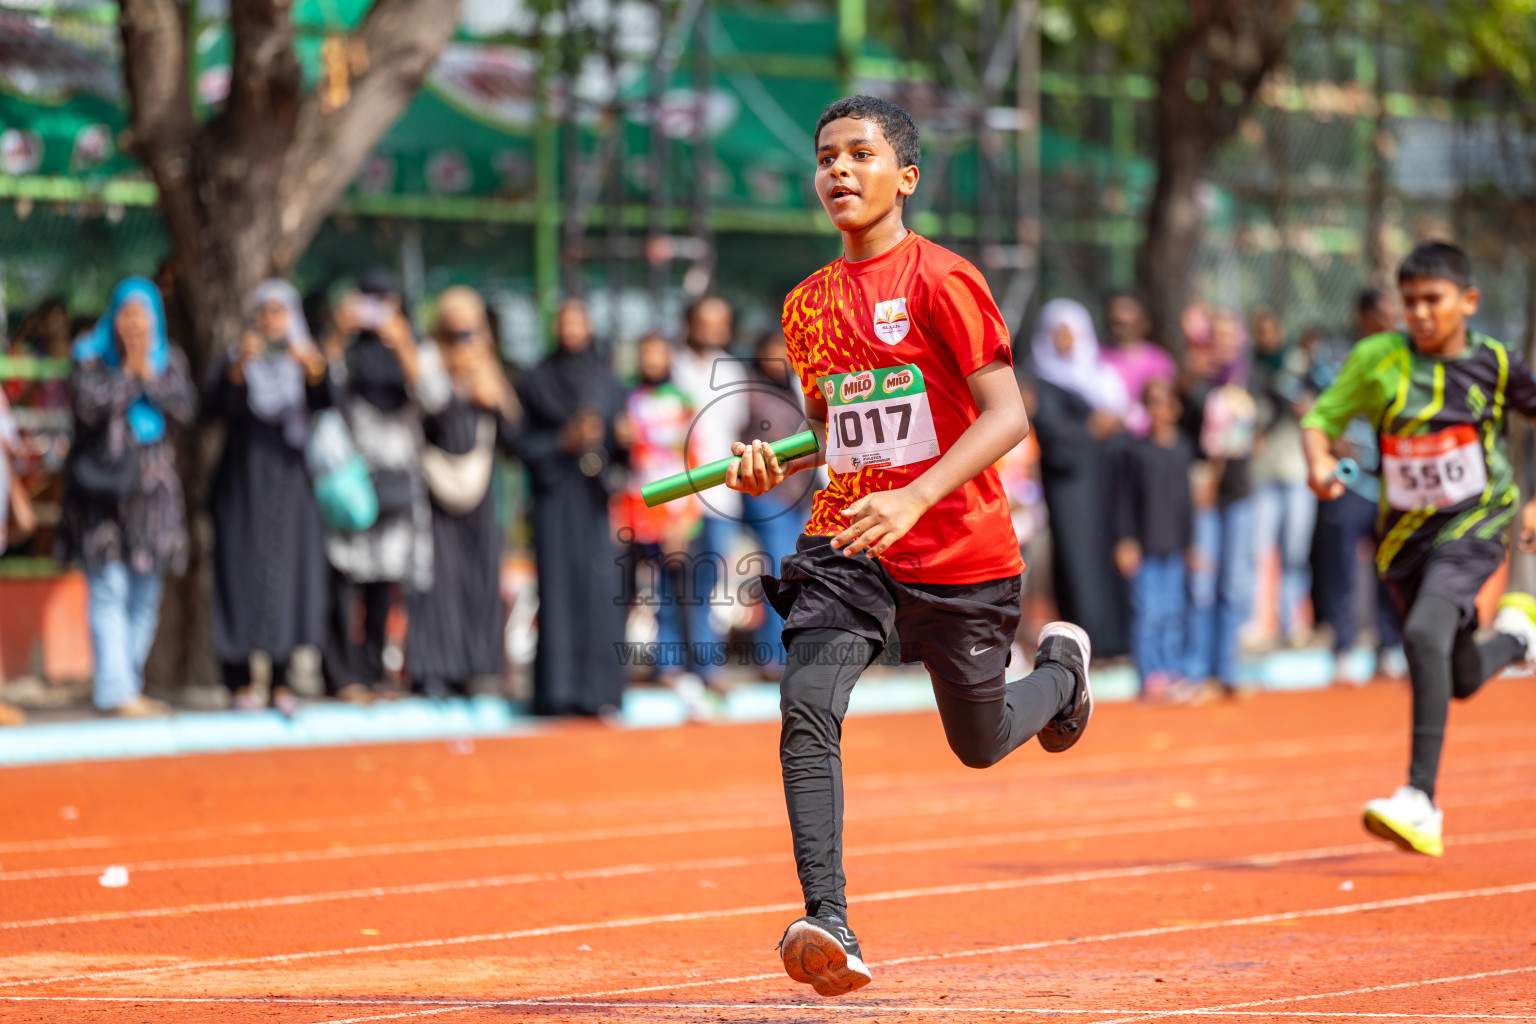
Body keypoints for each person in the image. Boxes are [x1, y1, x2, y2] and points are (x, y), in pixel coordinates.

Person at [726, 95, 1094, 998]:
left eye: (859, 154)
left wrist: (918, 494)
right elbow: (834, 432)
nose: (839, 172)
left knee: (978, 741)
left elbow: (1008, 413)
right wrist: (771, 458)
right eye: (826, 158)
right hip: (850, 541)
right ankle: (829, 921)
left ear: (906, 178)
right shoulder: (806, 306)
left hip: (960, 545)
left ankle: (1061, 676)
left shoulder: (944, 281)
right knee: (807, 699)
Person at [1301, 241, 1536, 857]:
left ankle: (1420, 798)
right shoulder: (1378, 358)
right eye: (1410, 303)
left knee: (1424, 639)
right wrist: (1320, 462)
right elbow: (1319, 421)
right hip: (1403, 541)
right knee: (1454, 674)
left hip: (1477, 523)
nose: (1421, 314)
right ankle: (1516, 640)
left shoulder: (1497, 364)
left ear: (1468, 301)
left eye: (1433, 301)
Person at [59, 277, 196, 716]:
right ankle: (115, 689)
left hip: (154, 498)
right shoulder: (89, 356)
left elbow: (184, 410)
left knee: (145, 593)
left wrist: (148, 376)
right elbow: (87, 408)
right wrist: (127, 375)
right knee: (109, 588)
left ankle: (126, 683)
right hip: (102, 497)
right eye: (126, 313)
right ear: (113, 316)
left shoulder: (168, 359)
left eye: (142, 314)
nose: (134, 323)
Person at [320, 272, 451, 701]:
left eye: (384, 302)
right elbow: (319, 386)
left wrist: (403, 343)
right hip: (350, 480)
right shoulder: (346, 348)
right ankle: (341, 677)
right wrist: (339, 332)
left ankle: (375, 673)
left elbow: (434, 399)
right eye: (368, 300)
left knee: (383, 582)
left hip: (397, 481)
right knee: (343, 579)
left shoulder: (416, 349)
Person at [205, 280, 334, 712]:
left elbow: (329, 401)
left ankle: (282, 680)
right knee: (239, 576)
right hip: (242, 486)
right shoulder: (237, 356)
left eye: (281, 312)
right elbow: (211, 408)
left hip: (291, 485)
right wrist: (239, 365)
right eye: (266, 311)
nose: (272, 320)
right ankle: (238, 679)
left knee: (288, 577)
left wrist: (313, 365)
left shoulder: (306, 356)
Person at [515, 296, 629, 716]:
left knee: (601, 593)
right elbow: (519, 444)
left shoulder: (607, 379)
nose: (571, 329)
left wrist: (622, 439)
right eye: (565, 321)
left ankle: (599, 693)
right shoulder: (536, 379)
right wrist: (564, 440)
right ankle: (557, 693)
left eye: (579, 320)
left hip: (595, 499)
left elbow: (621, 450)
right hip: (554, 498)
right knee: (558, 592)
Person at [406, 287, 521, 698]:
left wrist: (495, 396)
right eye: (456, 330)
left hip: (480, 494)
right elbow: (423, 421)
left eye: (470, 329)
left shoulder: (490, 370)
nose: (464, 340)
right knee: (437, 580)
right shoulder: (427, 364)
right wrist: (455, 393)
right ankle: (432, 669)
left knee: (479, 577)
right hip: (434, 492)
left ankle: (475, 668)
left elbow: (515, 438)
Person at [1029, 297, 1131, 658]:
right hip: (1070, 486)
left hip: (1106, 482)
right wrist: (1091, 429)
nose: (1064, 341)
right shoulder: (1041, 381)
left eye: (1070, 333)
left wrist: (1111, 426)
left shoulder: (1100, 374)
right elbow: (1050, 434)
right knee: (1078, 562)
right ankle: (1089, 645)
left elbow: (1125, 422)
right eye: (1057, 333)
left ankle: (1117, 640)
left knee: (1111, 557)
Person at [1310, 290, 1404, 675]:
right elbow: (1309, 407)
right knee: (1343, 568)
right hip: (1350, 482)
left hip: (1394, 483)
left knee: (1392, 567)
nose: (1393, 321)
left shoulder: (1405, 359)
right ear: (1364, 316)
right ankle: (1345, 648)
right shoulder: (1333, 358)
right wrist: (1328, 441)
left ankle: (1390, 647)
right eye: (1385, 314)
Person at [615, 332, 709, 697]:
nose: (652, 361)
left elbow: (694, 463)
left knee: (679, 598)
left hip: (673, 516)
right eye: (646, 354)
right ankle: (619, 672)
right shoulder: (626, 400)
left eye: (658, 354)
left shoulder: (683, 402)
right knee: (627, 595)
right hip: (633, 513)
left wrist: (683, 519)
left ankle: (685, 671)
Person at [669, 295, 750, 693]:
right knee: (671, 582)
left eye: (720, 322)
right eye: (705, 321)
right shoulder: (671, 366)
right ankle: (670, 668)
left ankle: (705, 666)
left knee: (708, 584)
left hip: (722, 496)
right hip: (675, 495)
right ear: (690, 322)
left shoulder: (735, 370)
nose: (712, 329)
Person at [1182, 307, 1257, 694]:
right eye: (1219, 335)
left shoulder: (1252, 381)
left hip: (1239, 494)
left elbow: (1271, 419)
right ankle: (1196, 669)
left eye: (1232, 335)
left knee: (1233, 583)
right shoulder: (1199, 384)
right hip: (1204, 498)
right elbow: (1182, 416)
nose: (1225, 343)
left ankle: (1226, 669)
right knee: (1202, 583)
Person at [739, 329, 814, 676]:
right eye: (774, 350)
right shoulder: (748, 390)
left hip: (800, 494)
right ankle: (771, 655)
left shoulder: (799, 388)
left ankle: (789, 650)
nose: (781, 357)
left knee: (798, 573)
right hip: (767, 493)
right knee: (778, 570)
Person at [1115, 378, 1196, 700]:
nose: (1159, 409)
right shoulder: (1136, 451)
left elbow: (1185, 503)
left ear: (1175, 408)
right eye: (1153, 402)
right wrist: (1125, 540)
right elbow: (1123, 499)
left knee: (1174, 612)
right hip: (1145, 546)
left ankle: (1172, 671)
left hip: (1174, 546)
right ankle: (1151, 676)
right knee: (1148, 613)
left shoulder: (1183, 449)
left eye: (1165, 402)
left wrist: (1190, 545)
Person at [1248, 306, 1317, 647]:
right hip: (1262, 470)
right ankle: (1260, 621)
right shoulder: (1248, 370)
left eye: (1271, 330)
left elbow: (1317, 408)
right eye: (1261, 331)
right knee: (1259, 550)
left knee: (1295, 551)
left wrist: (1305, 406)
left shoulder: (1300, 366)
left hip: (1296, 469)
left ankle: (1295, 622)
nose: (1267, 338)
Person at [1101, 292, 1176, 436]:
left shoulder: (1159, 361)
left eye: (1126, 323)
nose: (1120, 329)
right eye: (1116, 322)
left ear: (1143, 323)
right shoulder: (1097, 356)